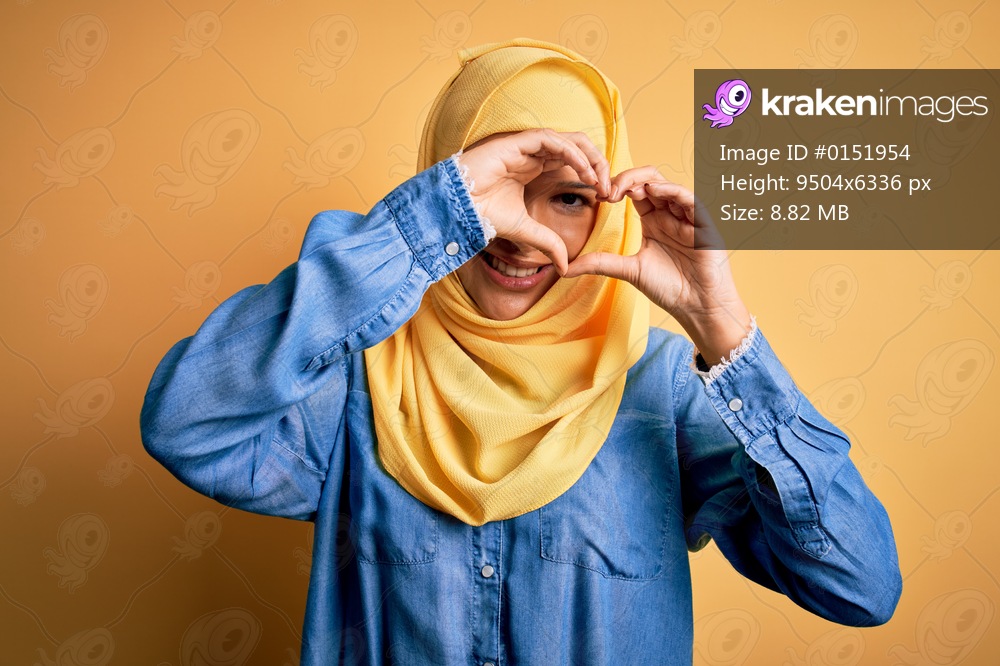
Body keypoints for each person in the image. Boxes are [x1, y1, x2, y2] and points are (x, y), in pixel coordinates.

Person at [140, 38, 901, 665]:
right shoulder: (363, 380)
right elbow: (186, 424)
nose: (521, 232)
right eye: (494, 189)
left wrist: (723, 326)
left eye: (568, 198)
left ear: (604, 217)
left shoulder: (662, 390)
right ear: (445, 181)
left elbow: (859, 587)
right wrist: (432, 220)